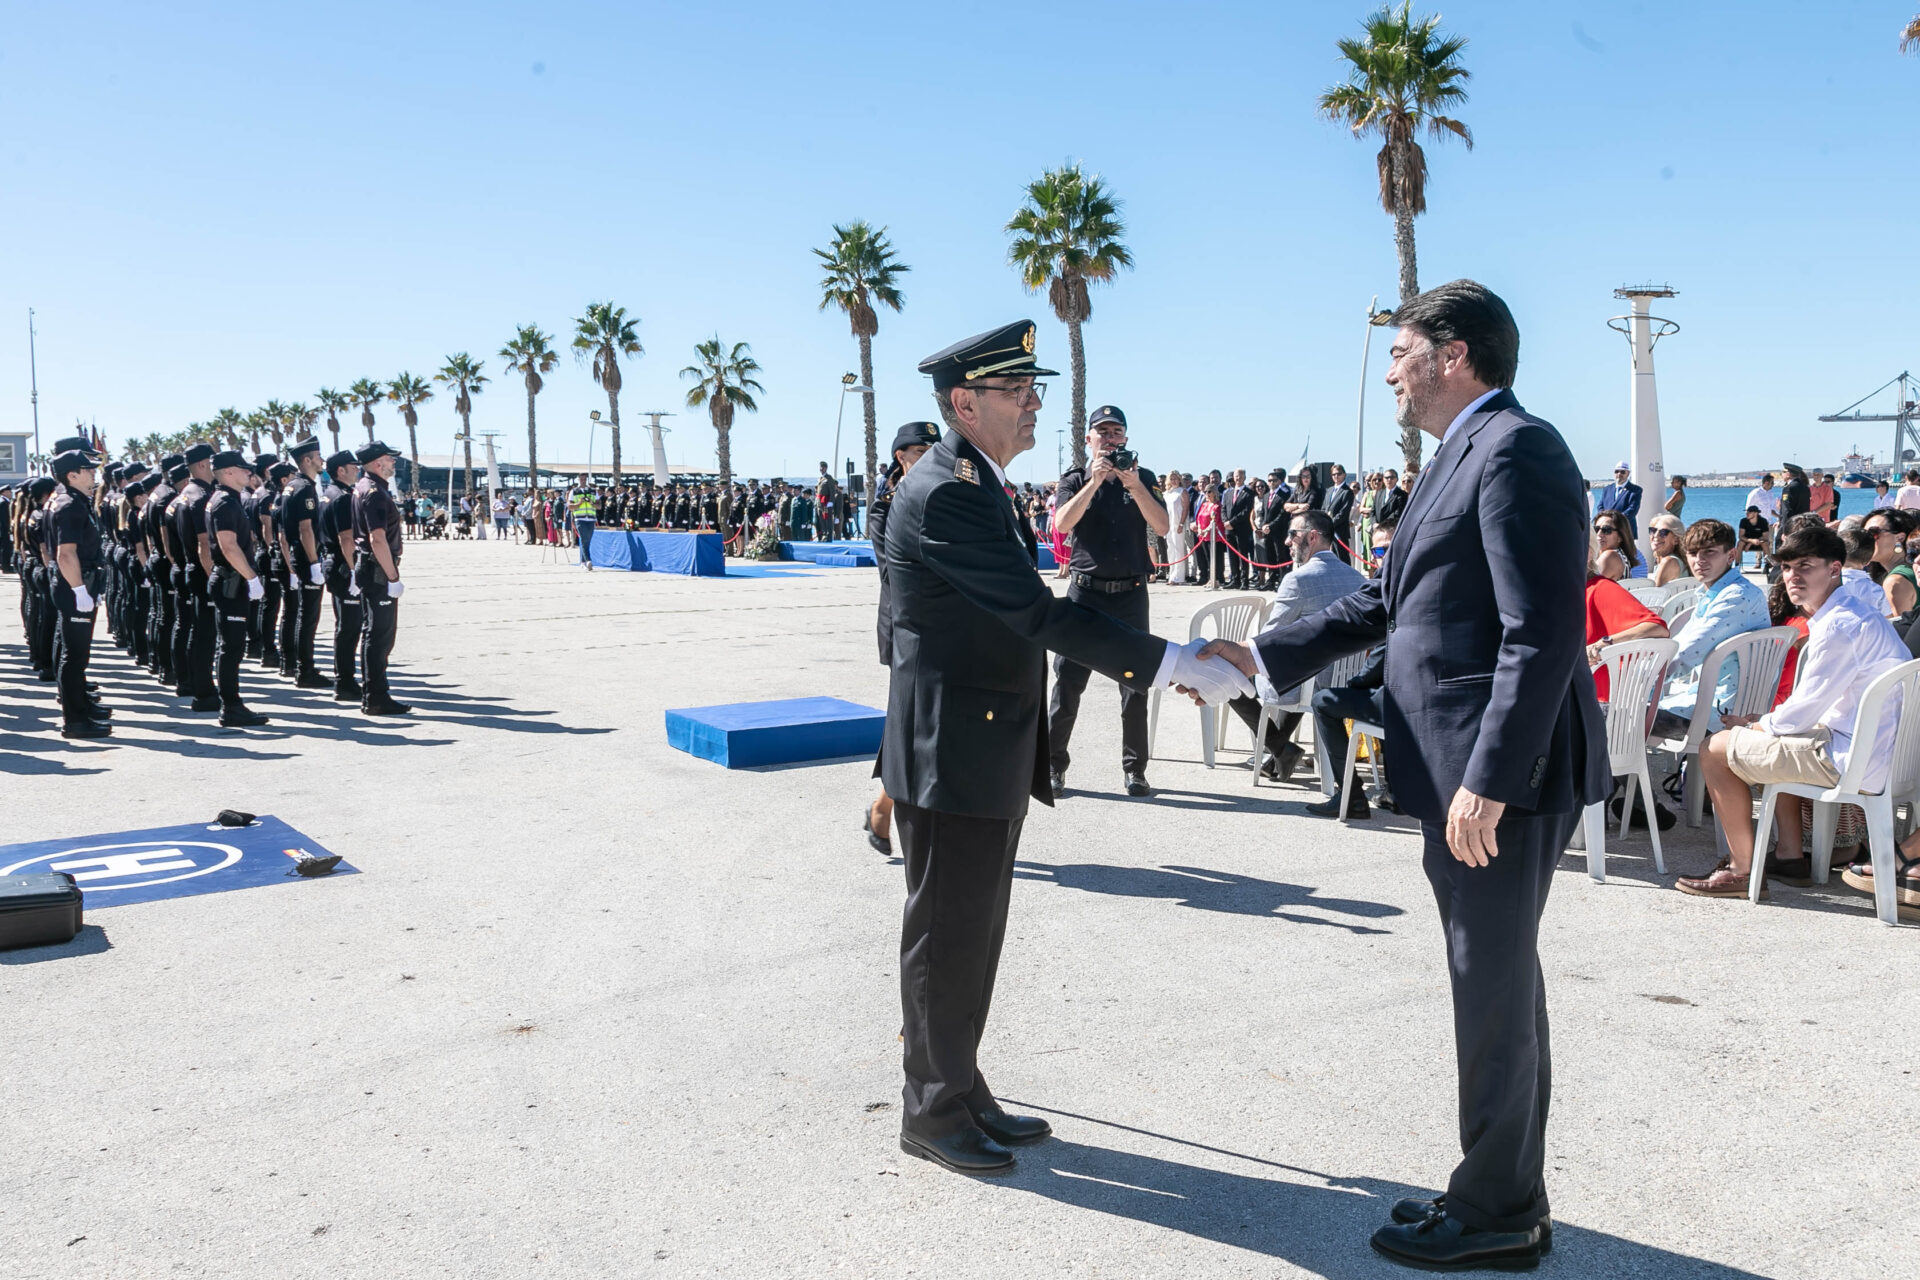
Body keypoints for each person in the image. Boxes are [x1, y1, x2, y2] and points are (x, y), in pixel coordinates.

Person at [1196, 280, 1606, 1270]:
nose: (1388, 372)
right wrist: (1264, 656)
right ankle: (1505, 1189)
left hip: (1493, 776)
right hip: (1458, 767)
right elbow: (1388, 599)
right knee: (1496, 978)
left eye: (1398, 352)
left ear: (1451, 354)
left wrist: (1490, 777)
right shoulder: (1458, 452)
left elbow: (1542, 629)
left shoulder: (1517, 447)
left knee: (1489, 982)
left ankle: (1497, 1210)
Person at [880, 319, 1246, 1178]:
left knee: (975, 932)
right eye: (1016, 391)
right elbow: (1037, 613)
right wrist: (1172, 662)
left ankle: (960, 1085)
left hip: (982, 743)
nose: (1033, 403)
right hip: (952, 749)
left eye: (1032, 389)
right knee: (946, 935)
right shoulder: (947, 490)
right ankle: (931, 1109)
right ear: (964, 403)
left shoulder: (978, 479)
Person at [1680, 524, 1908, 899]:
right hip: (1881, 755)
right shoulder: (1859, 613)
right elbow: (1804, 714)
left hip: (1852, 760)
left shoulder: (1838, 626)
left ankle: (1740, 870)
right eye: (1786, 567)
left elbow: (1796, 718)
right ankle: (1788, 855)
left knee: (1715, 749)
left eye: (1805, 566)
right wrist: (1761, 725)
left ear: (1834, 569)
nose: (1792, 576)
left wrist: (1753, 726)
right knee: (1771, 739)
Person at [1046, 405, 1171, 798]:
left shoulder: (1144, 478)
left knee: (1135, 686)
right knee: (1068, 683)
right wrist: (1095, 482)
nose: (1110, 439)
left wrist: (1134, 485)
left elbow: (1163, 526)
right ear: (1089, 439)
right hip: (1085, 594)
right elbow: (1062, 524)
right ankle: (1052, 766)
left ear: (1126, 439)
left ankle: (1135, 770)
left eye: (1117, 432)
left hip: (1131, 594)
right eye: (1103, 432)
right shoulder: (1074, 479)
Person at [1224, 508, 1368, 782]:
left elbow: (1270, 637)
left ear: (1312, 537)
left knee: (1229, 675)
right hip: (1346, 680)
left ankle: (1279, 747)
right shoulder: (1357, 578)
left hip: (1308, 682)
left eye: (1293, 534)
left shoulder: (1298, 580)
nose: (1287, 541)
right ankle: (1277, 753)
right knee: (1302, 667)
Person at [862, 421, 941, 855]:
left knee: (921, 720)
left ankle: (890, 803)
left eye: (934, 451)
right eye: (919, 452)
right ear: (901, 457)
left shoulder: (944, 495)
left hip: (946, 624)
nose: (928, 458)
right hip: (905, 625)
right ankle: (888, 803)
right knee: (906, 720)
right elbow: (894, 571)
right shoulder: (885, 508)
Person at [1302, 518, 1399, 817]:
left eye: (1388, 549)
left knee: (1323, 701)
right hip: (1409, 692)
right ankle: (1396, 791)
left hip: (1405, 699)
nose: (1381, 557)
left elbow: (1381, 653)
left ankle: (1351, 796)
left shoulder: (1394, 587)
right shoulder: (1386, 581)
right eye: (1377, 551)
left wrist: (1355, 685)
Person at [1650, 518, 1770, 735]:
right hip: (1707, 702)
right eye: (1693, 553)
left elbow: (1684, 655)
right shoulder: (1719, 594)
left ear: (1731, 556)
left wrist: (1636, 680)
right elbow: (1679, 648)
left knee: (1615, 718)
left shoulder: (1736, 597)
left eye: (1709, 552)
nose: (1699, 560)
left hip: (1717, 713)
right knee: (1614, 714)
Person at [45, 446, 112, 738]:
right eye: (88, 470)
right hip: (75, 584)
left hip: (77, 582)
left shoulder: (69, 500)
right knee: (74, 656)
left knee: (74, 653)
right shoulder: (69, 504)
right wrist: (80, 590)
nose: (93, 474)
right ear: (72, 475)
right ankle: (75, 720)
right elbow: (66, 553)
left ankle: (81, 708)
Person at [204, 452, 272, 728]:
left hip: (231, 579)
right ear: (228, 472)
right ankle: (231, 707)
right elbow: (228, 546)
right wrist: (252, 577)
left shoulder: (228, 499)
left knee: (232, 646)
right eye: (244, 469)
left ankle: (232, 705)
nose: (249, 474)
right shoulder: (225, 502)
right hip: (231, 580)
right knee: (231, 647)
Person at [351, 441, 410, 716]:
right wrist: (392, 577)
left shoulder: (365, 486)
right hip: (378, 569)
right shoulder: (374, 492)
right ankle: (376, 696)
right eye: (389, 458)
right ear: (377, 463)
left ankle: (373, 694)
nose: (393, 462)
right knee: (380, 635)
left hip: (371, 567)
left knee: (373, 632)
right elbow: (377, 539)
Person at [169, 442, 220, 711]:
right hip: (202, 570)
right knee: (205, 634)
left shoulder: (184, 494)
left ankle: (194, 683)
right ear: (202, 464)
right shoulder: (200, 496)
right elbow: (204, 545)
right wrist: (213, 579)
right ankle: (204, 691)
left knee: (197, 631)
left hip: (191, 568)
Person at [279, 438, 332, 688]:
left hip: (298, 555)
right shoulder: (304, 488)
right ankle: (305, 670)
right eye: (318, 456)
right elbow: (305, 529)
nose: (322, 460)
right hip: (306, 555)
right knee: (308, 616)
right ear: (308, 460)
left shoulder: (292, 486)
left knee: (303, 614)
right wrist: (313, 562)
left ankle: (298, 665)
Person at [319, 449, 364, 702]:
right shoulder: (343, 497)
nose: (357, 470)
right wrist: (355, 571)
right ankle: (345, 682)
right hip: (343, 566)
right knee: (349, 627)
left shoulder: (328, 494)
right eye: (352, 466)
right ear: (340, 470)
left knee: (345, 626)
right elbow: (346, 538)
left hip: (333, 562)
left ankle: (344, 680)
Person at [1861, 508, 1916, 618]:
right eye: (1863, 535)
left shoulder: (1896, 581)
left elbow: (1901, 628)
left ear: (1899, 538)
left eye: (1873, 533)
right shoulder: (1912, 570)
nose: (1866, 540)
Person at [1593, 461, 1642, 530]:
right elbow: (1600, 507)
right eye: (1616, 471)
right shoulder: (1607, 489)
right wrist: (1604, 520)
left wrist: (1614, 521)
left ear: (1628, 473)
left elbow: (1632, 510)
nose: (1619, 474)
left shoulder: (1635, 490)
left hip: (1625, 530)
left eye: (1622, 472)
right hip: (1607, 529)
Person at [1164, 470, 1193, 585]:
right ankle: (1171, 575)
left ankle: (1179, 577)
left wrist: (1181, 523)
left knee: (1179, 550)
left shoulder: (1182, 491)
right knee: (1170, 550)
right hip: (1169, 525)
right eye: (1171, 479)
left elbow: (1185, 509)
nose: (1174, 481)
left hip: (1178, 524)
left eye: (1175, 478)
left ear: (1179, 479)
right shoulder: (1167, 493)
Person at [1590, 510, 1638, 580]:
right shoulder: (1620, 556)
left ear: (1620, 536)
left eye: (1606, 530)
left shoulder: (1610, 556)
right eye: (1596, 529)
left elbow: (1587, 584)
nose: (1599, 534)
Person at [1322, 463, 1355, 563]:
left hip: (1340, 531)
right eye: (1334, 474)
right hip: (1328, 532)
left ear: (1344, 474)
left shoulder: (1347, 492)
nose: (1336, 476)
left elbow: (1343, 513)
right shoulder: (1329, 490)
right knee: (1330, 559)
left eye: (1339, 474)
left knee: (1342, 558)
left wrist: (1330, 524)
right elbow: (1324, 508)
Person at [1645, 513, 1685, 585]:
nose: (1656, 535)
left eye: (1663, 532)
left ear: (1676, 540)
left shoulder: (1668, 562)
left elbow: (1656, 591)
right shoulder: (1671, 560)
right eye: (1653, 530)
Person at [570, 477, 597, 570]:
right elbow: (570, 506)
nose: (583, 481)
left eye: (584, 479)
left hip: (591, 519)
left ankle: (582, 561)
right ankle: (588, 560)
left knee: (587, 541)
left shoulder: (593, 491)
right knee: (583, 539)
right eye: (581, 479)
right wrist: (579, 503)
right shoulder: (574, 491)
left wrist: (591, 502)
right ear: (578, 480)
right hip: (579, 518)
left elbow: (599, 506)